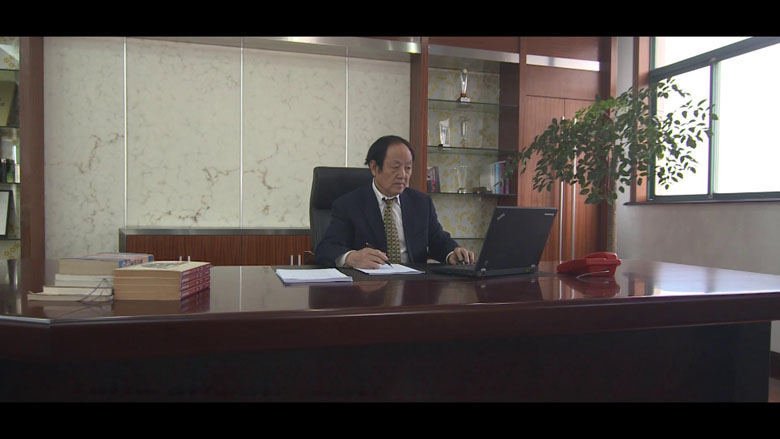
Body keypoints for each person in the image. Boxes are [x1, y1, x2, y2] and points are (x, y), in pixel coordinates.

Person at [315, 135, 475, 269]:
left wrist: (452, 253)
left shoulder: (421, 203)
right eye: (395, 167)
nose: (403, 175)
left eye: (408, 168)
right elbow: (326, 248)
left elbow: (437, 240)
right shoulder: (349, 204)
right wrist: (351, 257)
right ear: (374, 168)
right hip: (369, 286)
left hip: (414, 285)